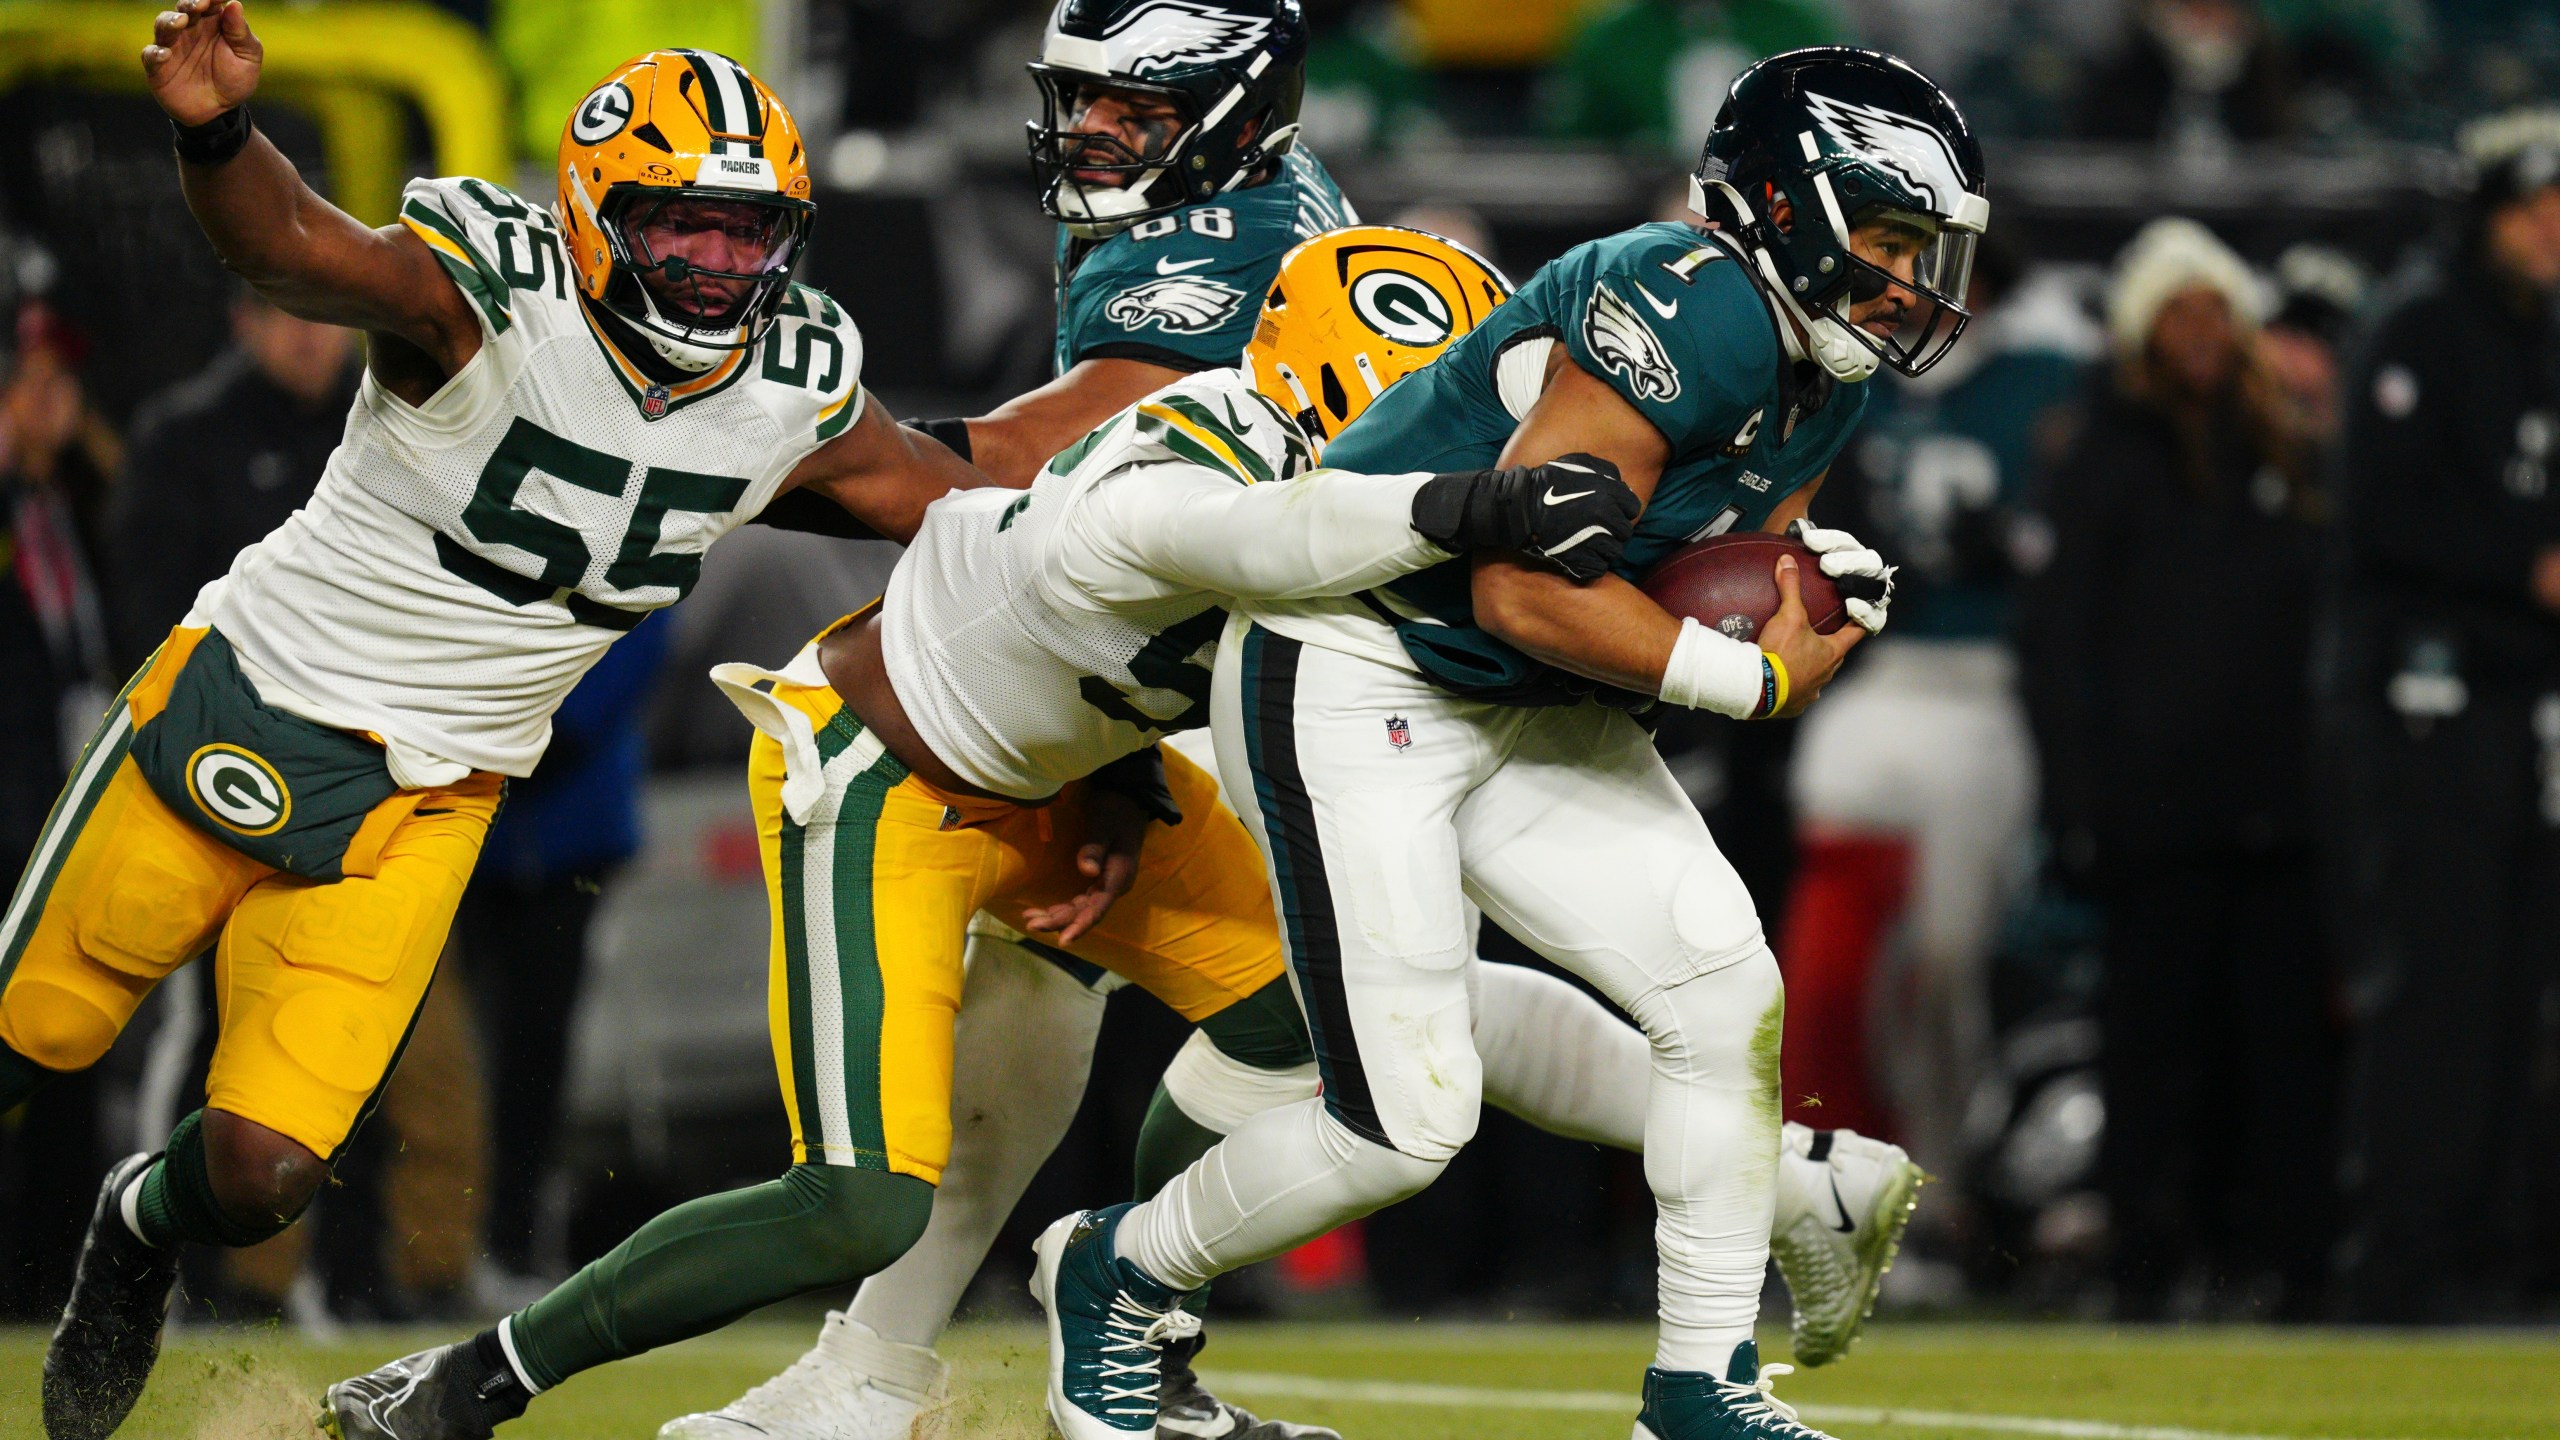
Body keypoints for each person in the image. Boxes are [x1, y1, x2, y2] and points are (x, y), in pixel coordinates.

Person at [8, 8, 988, 1438]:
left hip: (426, 802)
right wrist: (217, 132)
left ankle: (138, 1222)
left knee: (264, 1171)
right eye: (685, 227)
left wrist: (1155, 471)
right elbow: (292, 247)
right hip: (239, 702)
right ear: (594, 212)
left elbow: (942, 486)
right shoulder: (486, 296)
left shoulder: (785, 390)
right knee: (29, 1037)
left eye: (747, 232)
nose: (720, 267)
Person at [1032, 47, 1973, 1440]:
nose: (1909, 283)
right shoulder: (1676, 302)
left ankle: (1702, 1390)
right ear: (1786, 204)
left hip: (1519, 697)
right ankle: (1115, 1272)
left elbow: (1661, 586)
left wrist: (1799, 583)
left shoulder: (1819, 376)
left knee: (1721, 991)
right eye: (1888, 241)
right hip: (1354, 661)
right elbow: (1520, 582)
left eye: (1920, 250)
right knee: (1403, 1125)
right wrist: (1747, 677)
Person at [2019, 217, 2333, 1319]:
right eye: (2179, 312)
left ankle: (2284, 1264)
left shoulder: (2288, 455)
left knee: (2282, 1055)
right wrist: (2075, 802)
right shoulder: (2098, 456)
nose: (2200, 334)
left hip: (2280, 807)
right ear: (2144, 330)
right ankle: (2146, 1267)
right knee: (2154, 1055)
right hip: (2154, 816)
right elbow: (2058, 647)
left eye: (2216, 312)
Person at [1778, 235, 2089, 1176]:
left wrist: (2023, 548)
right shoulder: (1853, 374)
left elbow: (2093, 545)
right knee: (1834, 947)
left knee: (1950, 957)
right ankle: (1835, 1154)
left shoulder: (2048, 372)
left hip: (1989, 680)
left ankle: (1945, 1175)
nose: (1905, 293)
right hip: (1878, 678)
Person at [2325, 106, 2560, 1322]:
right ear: (2487, 216)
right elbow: (2379, 519)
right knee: (2439, 984)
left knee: (2518, 984)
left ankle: (2497, 1248)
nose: (2555, 232)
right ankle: (2402, 1258)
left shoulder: (2542, 338)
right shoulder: (2420, 323)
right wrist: (2526, 567)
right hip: (2425, 701)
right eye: (2535, 208)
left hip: (2522, 707)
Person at [107, 286, 358, 671]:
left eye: (326, 307)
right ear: (245, 319)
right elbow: (150, 615)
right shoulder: (181, 439)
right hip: (229, 702)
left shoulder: (393, 427)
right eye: (286, 308)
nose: (308, 329)